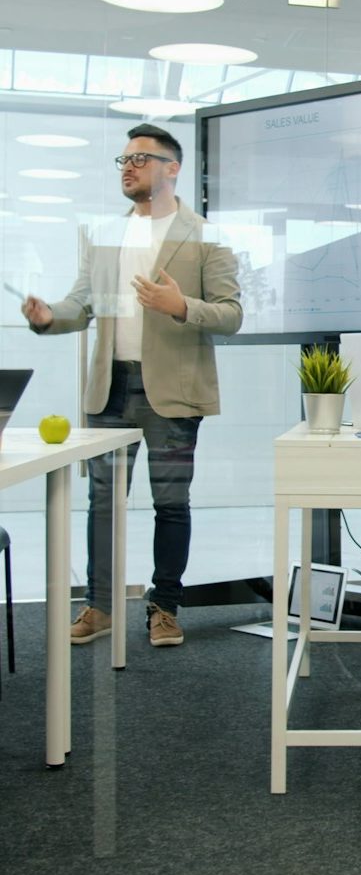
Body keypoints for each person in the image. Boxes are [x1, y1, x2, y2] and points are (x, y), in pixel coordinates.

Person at [22, 124, 242, 647]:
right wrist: (49, 316)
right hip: (111, 389)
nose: (128, 167)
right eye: (123, 160)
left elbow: (231, 314)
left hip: (173, 392)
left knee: (171, 503)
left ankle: (165, 607)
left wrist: (181, 305)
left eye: (141, 158)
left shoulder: (205, 235)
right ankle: (100, 606)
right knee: (103, 502)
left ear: (172, 168)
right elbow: (81, 304)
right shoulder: (106, 235)